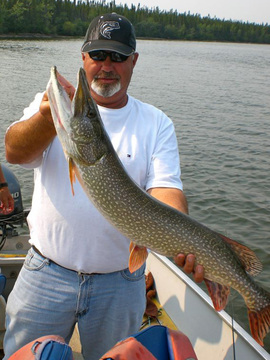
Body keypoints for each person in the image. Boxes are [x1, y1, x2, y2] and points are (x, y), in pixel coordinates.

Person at [4, 13, 204, 360]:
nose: (106, 66)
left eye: (118, 56)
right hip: (45, 273)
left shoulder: (155, 123)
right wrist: (47, 118)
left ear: (133, 62)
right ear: (84, 58)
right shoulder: (50, 108)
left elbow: (167, 190)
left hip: (120, 284)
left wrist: (184, 239)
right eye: (98, 55)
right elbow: (15, 151)